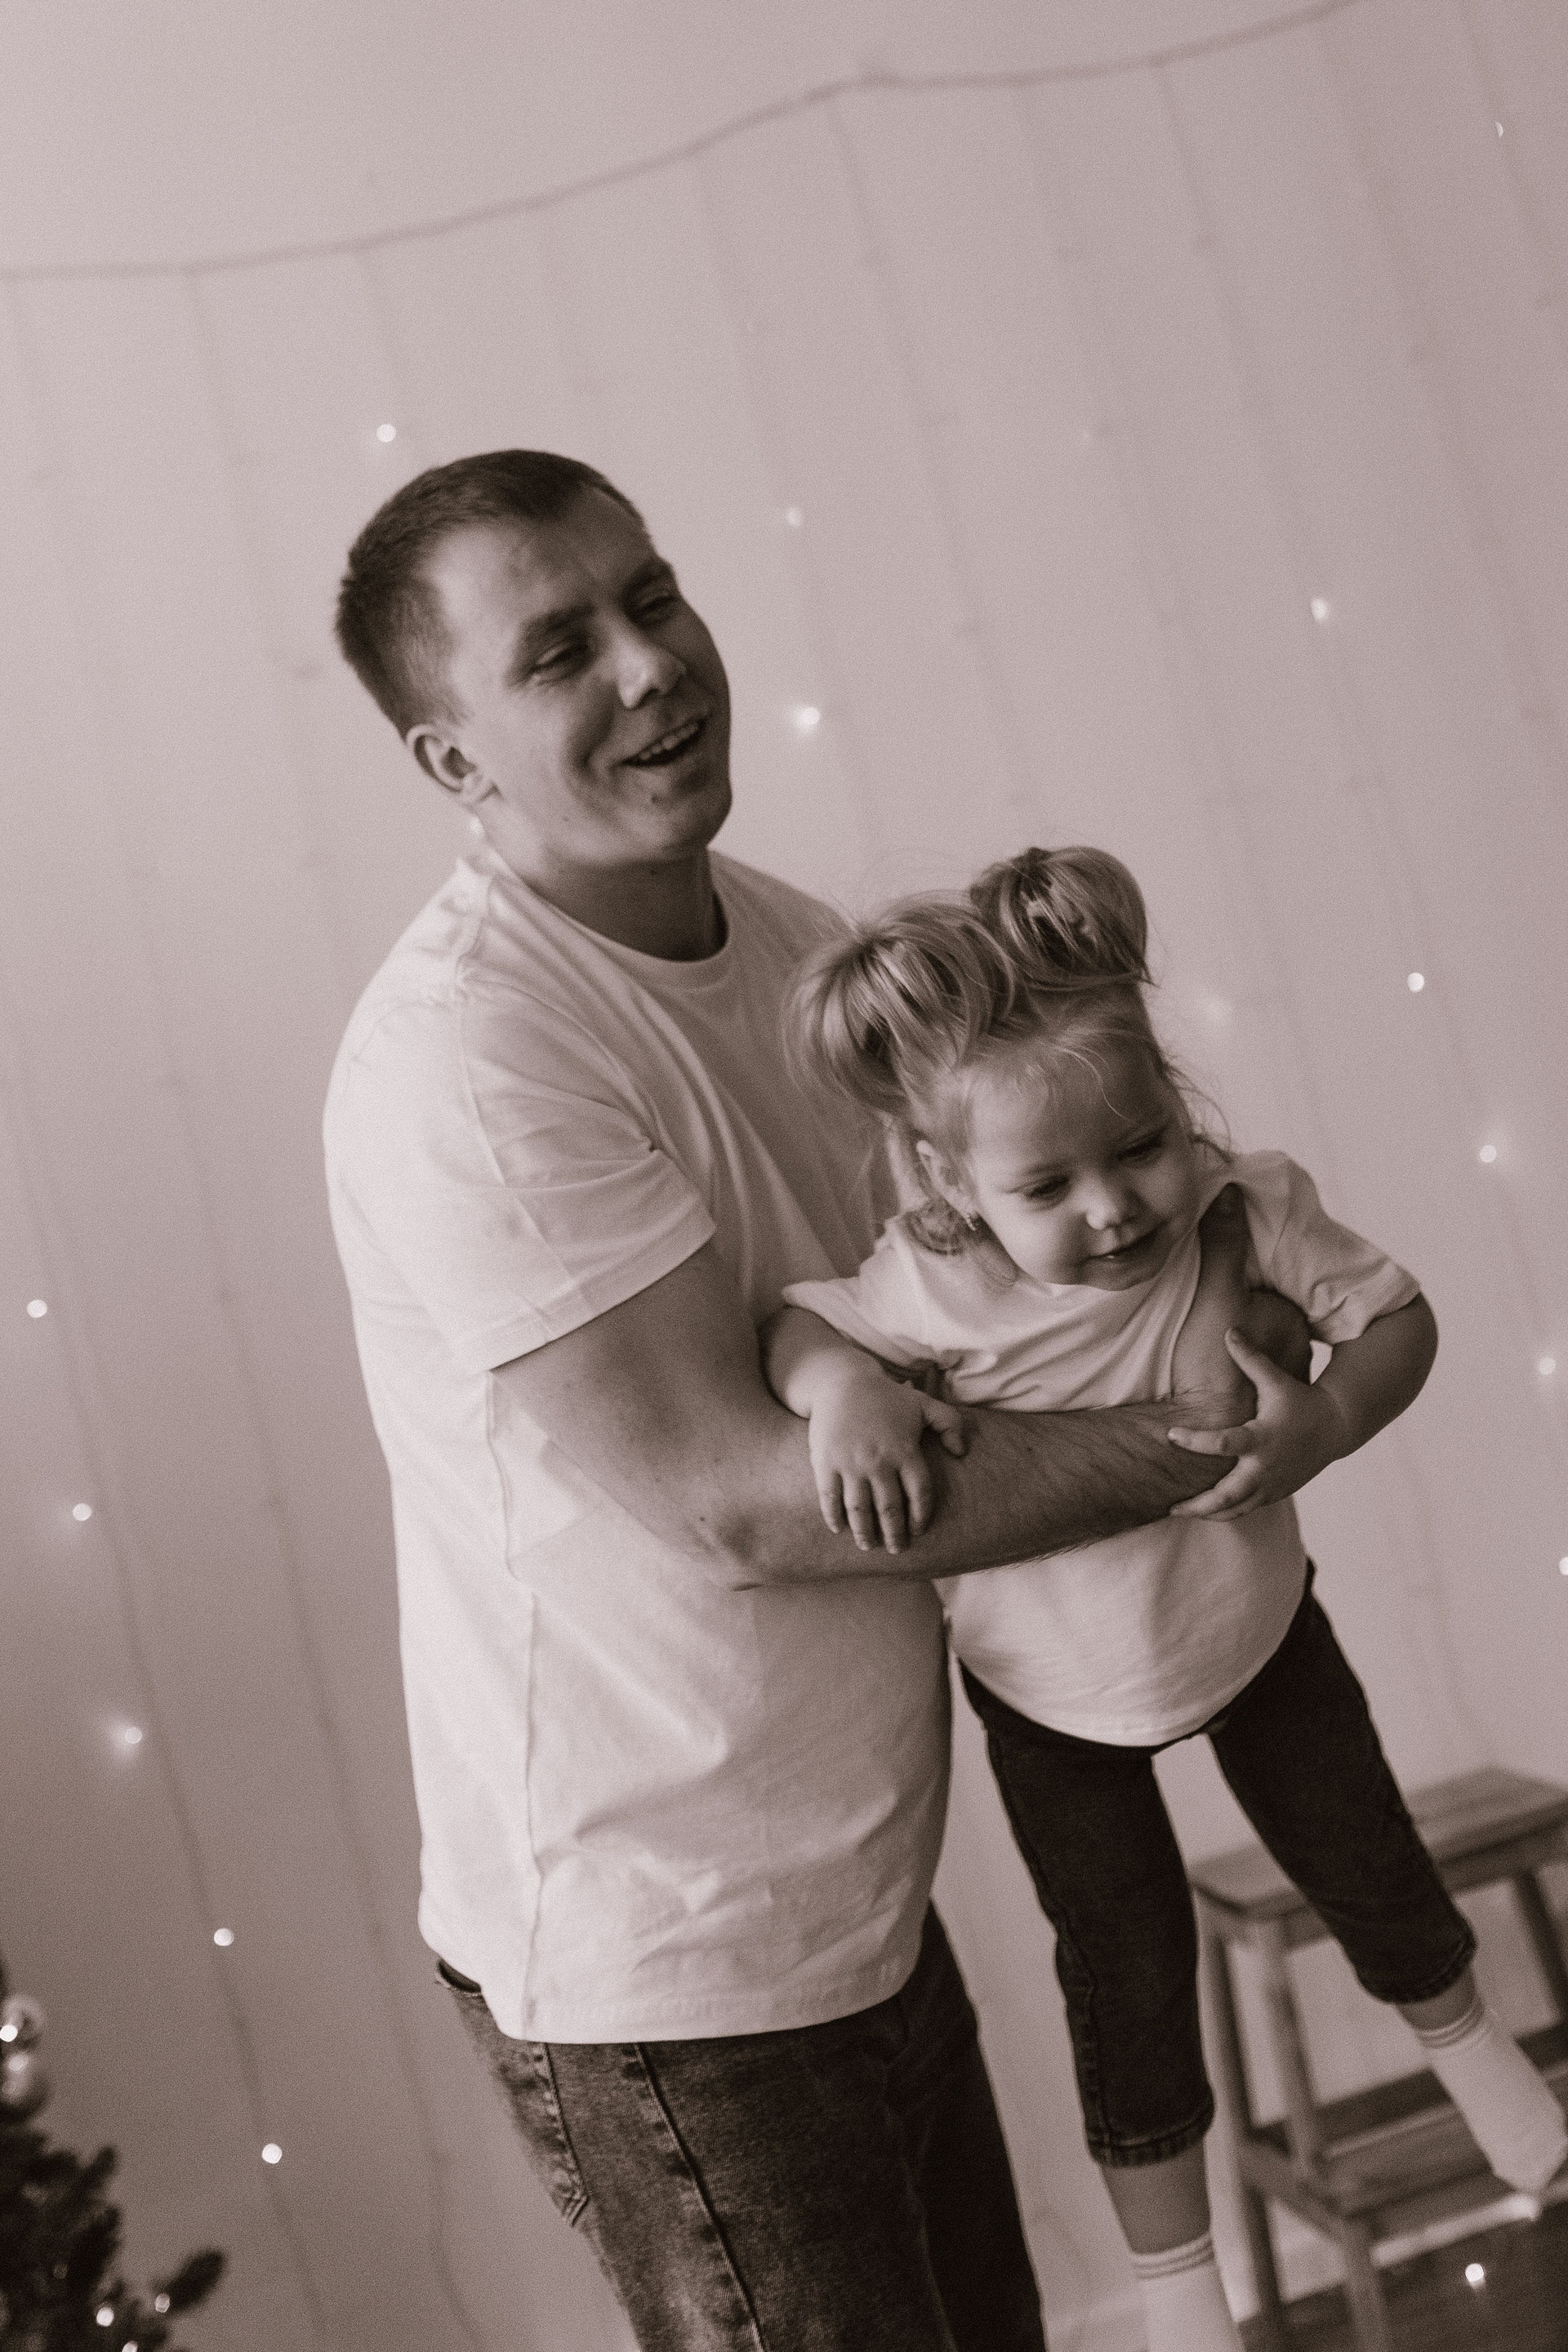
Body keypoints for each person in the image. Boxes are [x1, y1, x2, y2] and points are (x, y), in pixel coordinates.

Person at [323, 449, 1296, 2352]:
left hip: (854, 1894)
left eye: (653, 596)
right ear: (452, 761)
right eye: (559, 651)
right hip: (672, 1958)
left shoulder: (792, 948)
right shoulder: (471, 1060)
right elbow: (749, 1496)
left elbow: (977, 1323)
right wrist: (1237, 1432)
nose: (649, 665)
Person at [765, 844, 1568, 2352]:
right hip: (1052, 1694)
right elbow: (800, 1334)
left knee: (1368, 1861)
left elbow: (1397, 1319)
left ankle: (1480, 2063)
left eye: (1139, 1148)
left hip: (1255, 1629)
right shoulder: (933, 1287)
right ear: (948, 1184)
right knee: (1127, 1974)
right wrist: (842, 1395)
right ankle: (1180, 2293)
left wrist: (1330, 1423)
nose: (1113, 1208)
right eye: (1045, 1187)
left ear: (1176, 1103)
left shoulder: (1244, 1207)